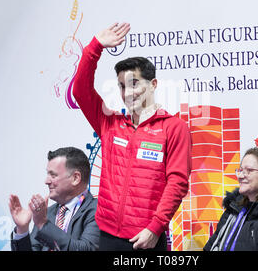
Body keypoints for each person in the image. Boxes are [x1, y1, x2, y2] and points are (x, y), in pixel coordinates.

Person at [72, 22, 192, 251]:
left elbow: (177, 183)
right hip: (105, 236)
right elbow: (79, 90)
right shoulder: (110, 123)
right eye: (121, 86)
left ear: (153, 84)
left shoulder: (174, 128)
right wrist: (95, 47)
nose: (127, 93)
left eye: (134, 84)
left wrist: (155, 227)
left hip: (146, 239)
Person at [9, 147, 100, 251]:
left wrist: (44, 224)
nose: (46, 181)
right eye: (47, 174)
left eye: (53, 175)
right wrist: (22, 230)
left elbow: (86, 249)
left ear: (75, 178)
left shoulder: (97, 211)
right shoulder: (48, 213)